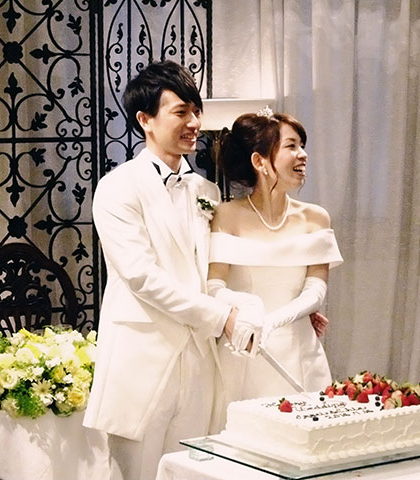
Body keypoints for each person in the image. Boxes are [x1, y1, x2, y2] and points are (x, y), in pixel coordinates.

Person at [83, 60, 263, 480]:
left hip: (201, 361)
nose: (194, 123)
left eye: (196, 111)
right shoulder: (117, 187)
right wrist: (221, 317)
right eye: (181, 112)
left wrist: (266, 305)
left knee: (193, 471)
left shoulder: (207, 190)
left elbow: (216, 270)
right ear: (145, 120)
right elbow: (141, 277)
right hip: (142, 359)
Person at [208, 109, 343, 430]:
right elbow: (214, 286)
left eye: (302, 146)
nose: (303, 154)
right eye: (292, 146)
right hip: (244, 347)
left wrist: (273, 321)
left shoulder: (315, 218)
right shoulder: (225, 215)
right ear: (260, 161)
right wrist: (249, 308)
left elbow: (316, 291)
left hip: (299, 349)